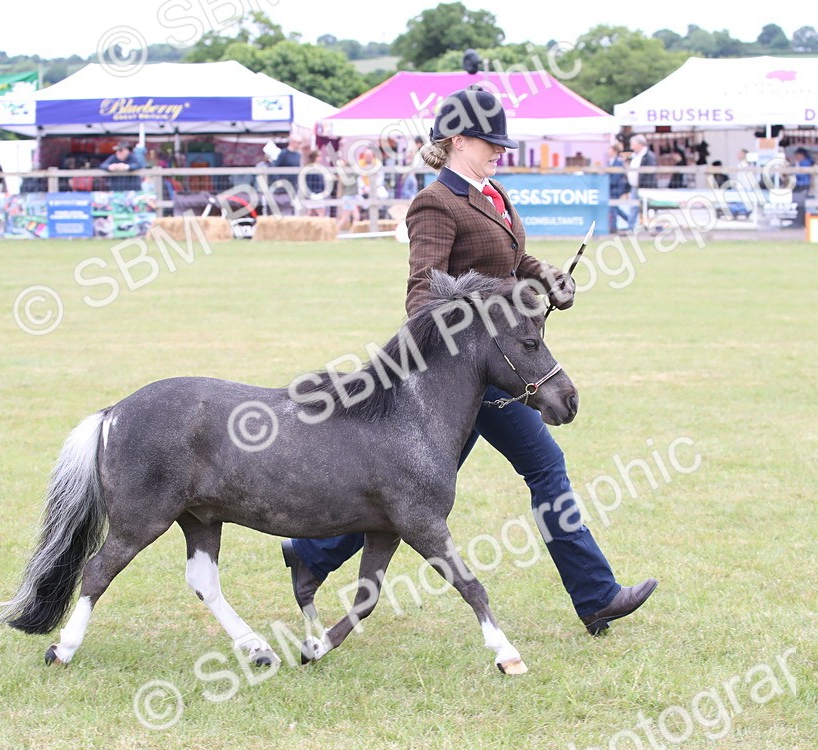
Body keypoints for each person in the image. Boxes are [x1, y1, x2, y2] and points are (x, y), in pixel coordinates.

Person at [281, 86, 658, 637]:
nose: (500, 151)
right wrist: (493, 310)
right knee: (544, 467)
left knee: (414, 489)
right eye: (491, 142)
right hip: (465, 373)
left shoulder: (492, 193)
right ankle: (597, 595)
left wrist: (544, 275)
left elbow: (511, 259)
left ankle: (313, 551)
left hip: (493, 366)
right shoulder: (435, 203)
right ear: (458, 140)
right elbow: (422, 297)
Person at [625, 134, 657, 231]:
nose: (631, 146)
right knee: (633, 207)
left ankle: (652, 227)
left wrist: (644, 184)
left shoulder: (649, 156)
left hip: (646, 187)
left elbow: (650, 172)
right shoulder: (635, 156)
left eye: (633, 144)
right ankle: (631, 228)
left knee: (649, 208)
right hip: (635, 186)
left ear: (639, 144)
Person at [606, 143, 631, 234]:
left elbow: (617, 176)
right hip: (611, 188)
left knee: (613, 207)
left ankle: (613, 227)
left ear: (614, 151)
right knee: (614, 207)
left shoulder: (619, 162)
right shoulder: (609, 162)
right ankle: (629, 220)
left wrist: (608, 183)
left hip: (617, 188)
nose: (608, 151)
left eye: (610, 149)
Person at [791, 147, 814, 227]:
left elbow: (801, 175)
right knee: (800, 204)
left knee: (800, 205)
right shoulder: (804, 163)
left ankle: (800, 222)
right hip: (801, 185)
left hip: (802, 186)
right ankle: (802, 222)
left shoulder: (804, 163)